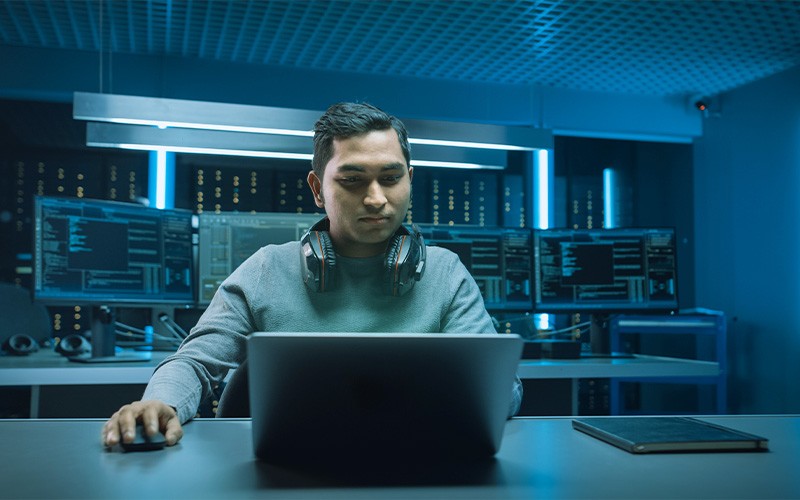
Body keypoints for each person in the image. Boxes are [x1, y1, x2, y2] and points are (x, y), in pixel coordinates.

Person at [102, 102, 523, 448]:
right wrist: (160, 404)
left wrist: (490, 393)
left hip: (414, 461)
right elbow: (194, 363)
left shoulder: (446, 273)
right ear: (318, 189)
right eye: (353, 180)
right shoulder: (267, 269)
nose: (376, 198)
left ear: (409, 181)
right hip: (285, 471)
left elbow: (501, 387)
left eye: (391, 178)